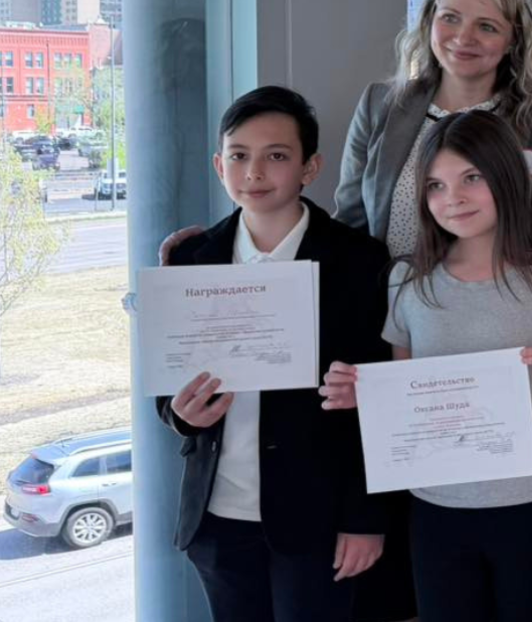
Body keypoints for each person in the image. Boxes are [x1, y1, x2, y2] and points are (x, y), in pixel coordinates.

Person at [320, 111, 532, 621]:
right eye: (436, 185)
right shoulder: (408, 281)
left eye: (472, 177)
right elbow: (405, 395)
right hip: (437, 504)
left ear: (506, 176)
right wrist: (366, 395)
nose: (454, 198)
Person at [156, 86, 392, 621]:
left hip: (321, 518)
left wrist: (364, 517)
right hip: (217, 516)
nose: (254, 172)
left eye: (276, 156)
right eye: (239, 155)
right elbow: (166, 387)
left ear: (310, 168)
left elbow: (378, 400)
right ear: (219, 164)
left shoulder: (359, 261)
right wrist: (180, 415)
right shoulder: (191, 258)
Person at [335, 0, 532, 255]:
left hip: (501, 299)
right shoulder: (380, 105)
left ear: (513, 41)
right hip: (386, 295)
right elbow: (348, 227)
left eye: (487, 26)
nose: (464, 37)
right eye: (451, 18)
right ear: (430, 21)